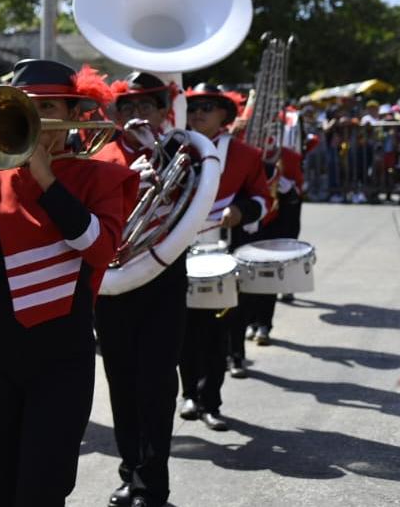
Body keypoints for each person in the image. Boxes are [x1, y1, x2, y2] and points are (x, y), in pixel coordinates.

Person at [0, 59, 136, 506]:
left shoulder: (101, 176)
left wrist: (46, 178)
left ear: (74, 112)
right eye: (24, 107)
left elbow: (98, 250)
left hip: (61, 349)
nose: (33, 117)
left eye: (47, 105)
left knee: (43, 486)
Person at [93, 71, 186, 507]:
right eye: (126, 107)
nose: (135, 115)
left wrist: (161, 158)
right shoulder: (101, 154)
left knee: (157, 382)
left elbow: (203, 199)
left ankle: (153, 481)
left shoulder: (181, 153)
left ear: (162, 111)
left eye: (145, 105)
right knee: (121, 380)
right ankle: (130, 470)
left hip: (163, 276)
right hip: (114, 281)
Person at [178, 83, 270, 430]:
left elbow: (263, 199)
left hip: (222, 254)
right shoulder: (174, 148)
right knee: (185, 331)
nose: (199, 112)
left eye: (209, 107)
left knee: (218, 331)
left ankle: (211, 401)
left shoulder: (246, 154)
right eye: (194, 106)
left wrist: (239, 210)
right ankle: (189, 394)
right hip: (177, 253)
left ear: (225, 115)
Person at [240, 144, 305, 346]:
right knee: (247, 277)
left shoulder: (289, 156)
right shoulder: (243, 150)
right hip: (249, 222)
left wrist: (286, 185)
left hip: (276, 223)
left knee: (268, 276)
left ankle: (264, 324)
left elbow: (298, 193)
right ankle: (249, 322)